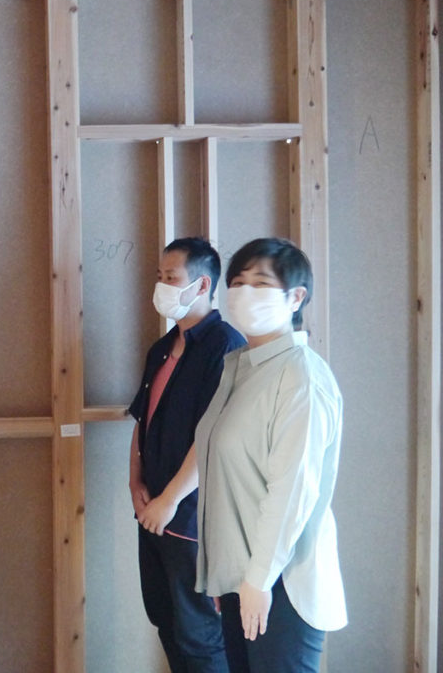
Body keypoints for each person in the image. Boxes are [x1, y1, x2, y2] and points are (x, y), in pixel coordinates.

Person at [194, 238, 347, 673]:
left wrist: (258, 580)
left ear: (295, 297)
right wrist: (231, 577)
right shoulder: (242, 367)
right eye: (237, 282)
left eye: (260, 283)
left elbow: (292, 489)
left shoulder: (300, 376)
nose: (244, 292)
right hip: (242, 578)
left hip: (280, 581)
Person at [130, 237, 245, 673]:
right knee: (165, 620)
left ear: (202, 285)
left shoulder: (225, 347)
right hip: (151, 513)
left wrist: (170, 499)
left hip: (193, 520)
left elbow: (213, 435)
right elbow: (143, 420)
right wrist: (136, 483)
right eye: (160, 276)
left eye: (171, 277)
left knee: (199, 634)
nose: (162, 285)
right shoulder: (161, 349)